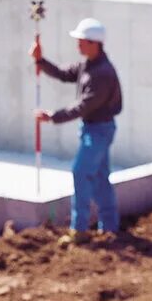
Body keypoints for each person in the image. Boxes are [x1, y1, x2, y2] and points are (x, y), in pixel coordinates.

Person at [31, 17, 123, 244]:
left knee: (81, 172)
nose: (78, 45)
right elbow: (64, 73)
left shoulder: (102, 73)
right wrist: (41, 61)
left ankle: (79, 230)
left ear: (94, 43)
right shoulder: (88, 66)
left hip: (99, 131)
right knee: (100, 178)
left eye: (81, 40)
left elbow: (83, 106)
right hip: (94, 128)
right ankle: (110, 227)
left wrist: (52, 116)